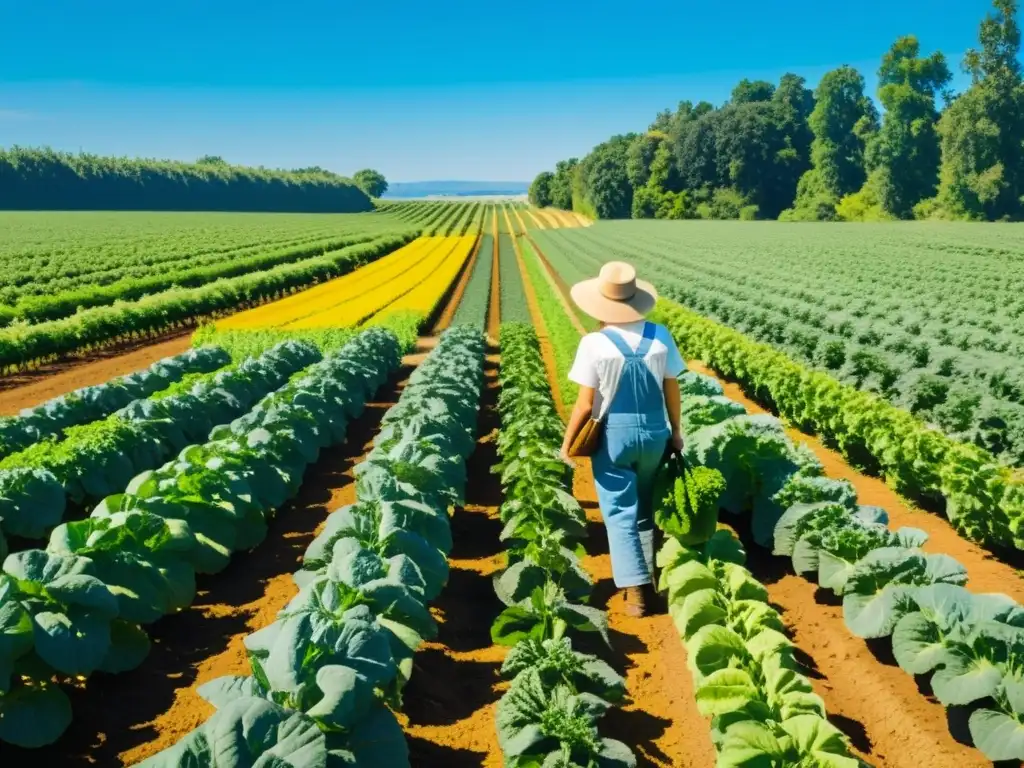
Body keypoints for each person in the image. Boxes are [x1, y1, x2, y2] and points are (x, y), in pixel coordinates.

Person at [559, 261, 685, 618]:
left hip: (616, 434)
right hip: (655, 432)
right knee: (645, 508)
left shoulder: (594, 343)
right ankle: (650, 579)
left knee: (618, 512)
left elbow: (585, 405)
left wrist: (567, 444)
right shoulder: (660, 336)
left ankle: (636, 593)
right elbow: (671, 387)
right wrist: (676, 432)